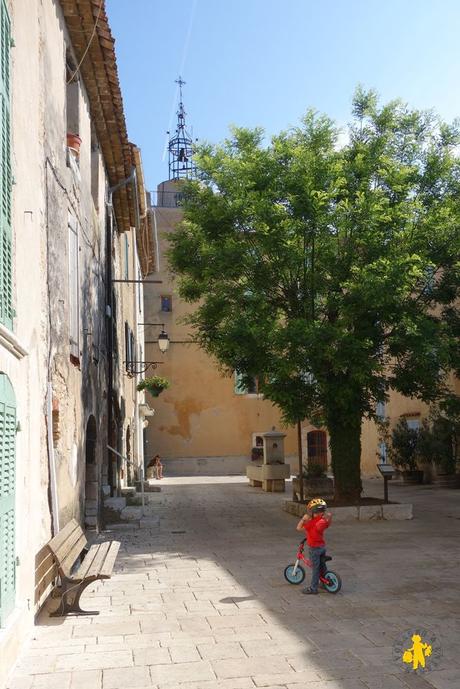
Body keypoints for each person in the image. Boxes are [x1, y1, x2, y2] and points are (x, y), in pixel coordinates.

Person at [296, 497, 333, 595]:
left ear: (313, 512)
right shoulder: (323, 521)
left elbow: (298, 528)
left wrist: (303, 519)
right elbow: (327, 523)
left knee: (315, 569)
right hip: (322, 547)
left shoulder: (311, 523)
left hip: (314, 549)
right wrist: (328, 517)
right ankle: (324, 582)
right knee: (322, 566)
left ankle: (313, 588)